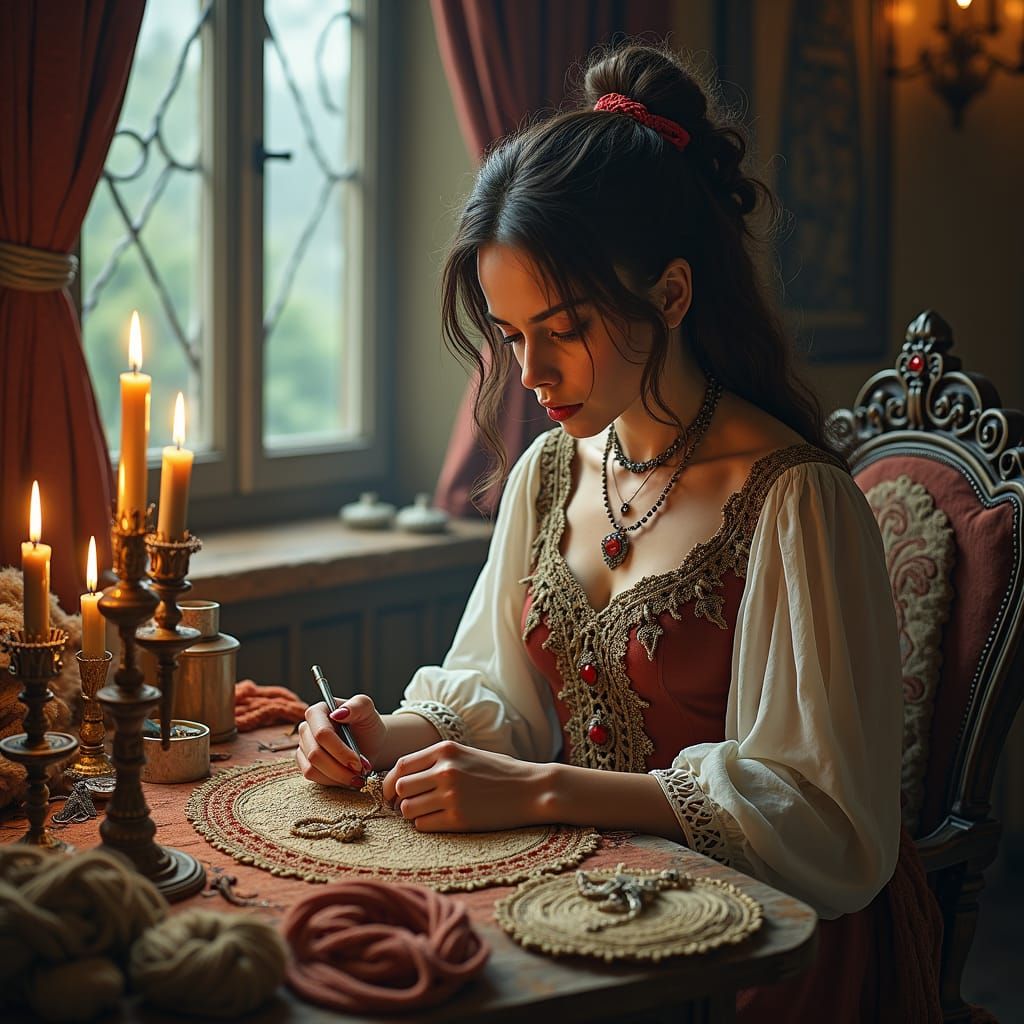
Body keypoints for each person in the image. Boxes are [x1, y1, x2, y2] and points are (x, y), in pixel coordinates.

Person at [297, 43, 941, 1022]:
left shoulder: (795, 501)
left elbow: (828, 823)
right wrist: (387, 734)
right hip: (600, 903)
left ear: (672, 294)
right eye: (512, 335)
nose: (530, 372)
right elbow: (497, 694)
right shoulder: (547, 475)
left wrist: (543, 792)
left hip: (771, 952)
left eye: (560, 328)